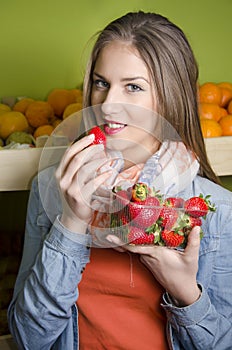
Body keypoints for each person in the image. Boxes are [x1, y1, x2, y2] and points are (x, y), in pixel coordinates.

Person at [8, 11, 232, 350]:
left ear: (170, 96)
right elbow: (29, 340)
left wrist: (186, 293)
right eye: (102, 83)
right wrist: (71, 222)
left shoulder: (219, 212)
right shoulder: (53, 189)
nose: (109, 104)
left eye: (133, 87)